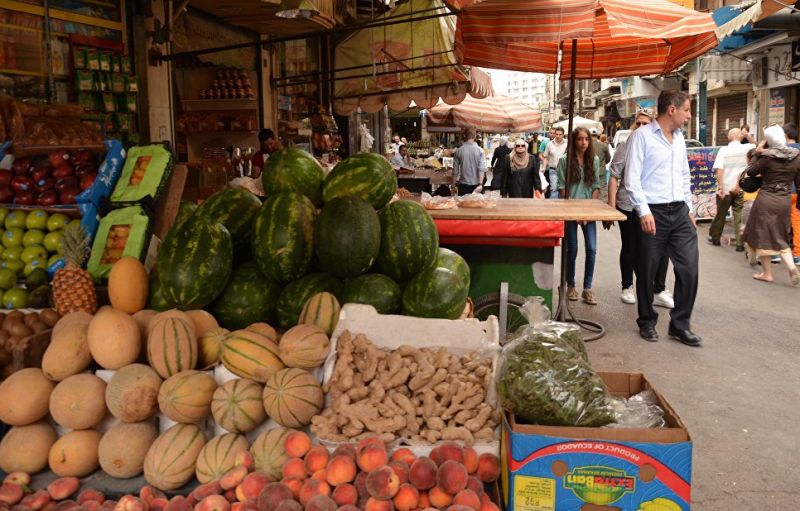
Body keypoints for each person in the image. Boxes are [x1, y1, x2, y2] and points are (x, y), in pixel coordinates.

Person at [625, 90, 702, 347]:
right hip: (653, 212)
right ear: (672, 109)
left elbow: (684, 175)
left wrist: (689, 208)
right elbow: (632, 178)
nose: (689, 116)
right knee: (647, 270)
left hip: (679, 212)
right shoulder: (642, 137)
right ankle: (646, 320)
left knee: (689, 268)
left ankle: (680, 325)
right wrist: (643, 211)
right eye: (687, 110)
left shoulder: (679, 139)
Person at [606, 109, 673, 308]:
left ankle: (658, 289)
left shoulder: (658, 144)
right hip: (628, 204)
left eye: (646, 123)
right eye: (638, 123)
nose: (641, 127)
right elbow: (614, 175)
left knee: (661, 247)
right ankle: (627, 286)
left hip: (654, 204)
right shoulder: (626, 145)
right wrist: (611, 208)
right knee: (630, 247)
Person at [742, 125, 800, 286]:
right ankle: (791, 267)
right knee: (781, 234)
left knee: (763, 235)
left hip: (766, 199)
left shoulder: (767, 157)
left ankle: (767, 273)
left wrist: (757, 153)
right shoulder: (796, 157)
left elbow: (751, 171)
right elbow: (799, 184)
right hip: (784, 200)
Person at [558, 127, 601, 305]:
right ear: (574, 141)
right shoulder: (565, 160)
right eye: (580, 139)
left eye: (586, 139)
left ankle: (587, 288)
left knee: (592, 248)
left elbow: (596, 186)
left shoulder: (594, 159)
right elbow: (562, 188)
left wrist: (589, 211)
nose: (583, 143)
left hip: (588, 210)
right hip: (570, 210)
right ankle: (571, 285)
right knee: (572, 249)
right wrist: (573, 212)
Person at [708, 128, 753, 251]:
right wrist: (747, 136)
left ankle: (715, 238)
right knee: (738, 216)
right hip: (741, 188)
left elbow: (720, 170)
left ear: (729, 137)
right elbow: (758, 145)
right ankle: (739, 244)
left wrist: (721, 187)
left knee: (721, 214)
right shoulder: (747, 148)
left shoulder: (724, 150)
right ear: (741, 137)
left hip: (726, 188)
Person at [783, 123, 800, 265]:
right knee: (797, 223)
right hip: (797, 193)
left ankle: (776, 254)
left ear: (785, 135)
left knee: (779, 222)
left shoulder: (781, 151)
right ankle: (797, 255)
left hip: (782, 192)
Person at [453, 127, 486, 195]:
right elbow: (481, 169)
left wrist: (453, 185)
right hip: (476, 186)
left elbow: (455, 171)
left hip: (463, 185)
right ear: (475, 136)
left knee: (463, 202)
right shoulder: (480, 151)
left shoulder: (458, 151)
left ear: (465, 136)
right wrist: (480, 184)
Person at [541, 127, 567, 198]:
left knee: (563, 189)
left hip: (564, 171)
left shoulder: (567, 143)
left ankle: (562, 204)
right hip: (553, 170)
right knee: (554, 189)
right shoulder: (549, 144)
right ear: (555, 134)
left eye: (560, 134)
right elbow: (545, 157)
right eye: (557, 134)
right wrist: (543, 167)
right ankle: (553, 204)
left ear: (563, 135)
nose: (558, 136)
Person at [591, 128, 611, 201]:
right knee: (602, 193)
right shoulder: (603, 145)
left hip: (589, 173)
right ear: (597, 135)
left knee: (590, 191)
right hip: (601, 173)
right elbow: (608, 158)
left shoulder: (586, 145)